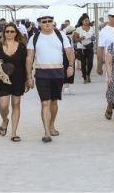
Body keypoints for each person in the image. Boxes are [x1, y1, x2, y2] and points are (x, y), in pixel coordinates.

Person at [26, 10, 75, 143]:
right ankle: (46, 132)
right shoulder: (34, 38)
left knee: (54, 102)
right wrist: (29, 76)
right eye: (44, 21)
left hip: (58, 73)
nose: (47, 24)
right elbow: (29, 58)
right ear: (39, 24)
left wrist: (71, 65)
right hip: (42, 74)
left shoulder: (61, 35)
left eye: (49, 21)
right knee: (45, 103)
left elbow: (69, 51)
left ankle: (52, 125)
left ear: (53, 22)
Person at [0, 22, 28, 142]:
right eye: (7, 31)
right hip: (2, 80)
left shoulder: (22, 46)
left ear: (16, 33)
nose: (9, 33)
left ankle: (14, 133)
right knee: (3, 105)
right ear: (3, 33)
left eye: (12, 31)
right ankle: (5, 120)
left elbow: (26, 64)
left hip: (18, 79)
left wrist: (28, 78)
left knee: (16, 105)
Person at [73, 13, 95, 84]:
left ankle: (88, 74)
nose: (87, 22)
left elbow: (94, 37)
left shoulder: (92, 28)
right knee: (83, 63)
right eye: (85, 20)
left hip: (89, 47)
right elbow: (75, 39)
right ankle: (85, 78)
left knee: (90, 62)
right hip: (81, 48)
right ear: (82, 21)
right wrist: (81, 38)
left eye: (88, 20)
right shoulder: (78, 29)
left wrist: (92, 38)